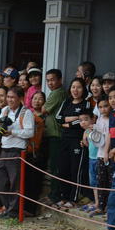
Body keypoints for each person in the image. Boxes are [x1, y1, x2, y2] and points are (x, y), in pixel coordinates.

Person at [0, 85, 34, 219]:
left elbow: (29, 132)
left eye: (12, 97)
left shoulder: (26, 113)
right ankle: (7, 208)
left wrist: (12, 132)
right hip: (4, 149)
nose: (9, 100)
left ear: (20, 98)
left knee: (15, 182)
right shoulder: (4, 110)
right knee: (0, 179)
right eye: (8, 97)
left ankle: (14, 212)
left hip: (17, 151)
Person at [55, 77, 91, 211]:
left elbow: (86, 119)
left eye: (79, 87)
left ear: (84, 89)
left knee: (75, 169)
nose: (76, 90)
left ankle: (73, 198)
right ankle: (64, 197)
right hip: (64, 139)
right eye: (73, 87)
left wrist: (68, 124)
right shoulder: (67, 102)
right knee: (63, 168)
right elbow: (58, 118)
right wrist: (75, 118)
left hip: (77, 140)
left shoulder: (86, 104)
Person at [41, 69, 67, 206]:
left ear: (60, 80)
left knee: (56, 166)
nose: (50, 83)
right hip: (54, 134)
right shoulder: (56, 92)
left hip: (57, 135)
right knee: (54, 165)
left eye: (52, 80)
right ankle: (53, 193)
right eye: (48, 80)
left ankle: (55, 195)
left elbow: (44, 109)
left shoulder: (58, 93)